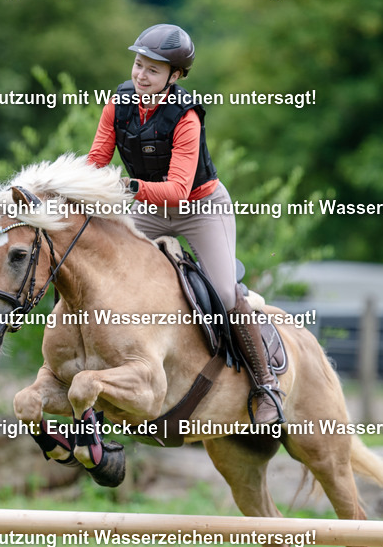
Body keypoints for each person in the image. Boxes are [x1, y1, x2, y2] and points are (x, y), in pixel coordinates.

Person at [87, 23, 284, 426]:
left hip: (200, 207)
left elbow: (177, 189)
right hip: (146, 207)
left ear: (174, 77)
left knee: (226, 293)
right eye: (139, 65)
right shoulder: (117, 104)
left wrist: (125, 186)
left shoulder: (186, 117)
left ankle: (266, 386)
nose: (141, 75)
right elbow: (95, 162)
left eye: (153, 71)